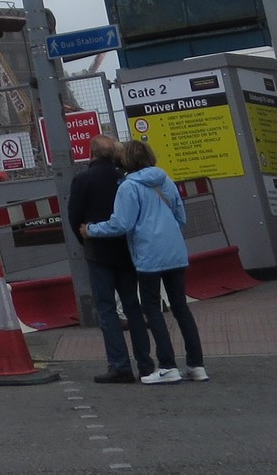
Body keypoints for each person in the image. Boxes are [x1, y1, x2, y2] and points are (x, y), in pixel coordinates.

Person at [79, 138, 206, 385]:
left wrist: (91, 230)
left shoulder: (128, 187)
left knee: (152, 310)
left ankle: (168, 366)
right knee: (181, 308)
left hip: (149, 254)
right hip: (175, 252)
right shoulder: (165, 180)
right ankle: (197, 365)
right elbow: (180, 216)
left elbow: (121, 224)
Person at [67, 134, 152, 384]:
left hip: (99, 252)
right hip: (126, 251)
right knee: (132, 306)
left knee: (106, 309)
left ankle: (119, 365)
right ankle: (146, 364)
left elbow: (74, 218)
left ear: (90, 152)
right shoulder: (123, 179)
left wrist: (86, 240)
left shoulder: (82, 180)